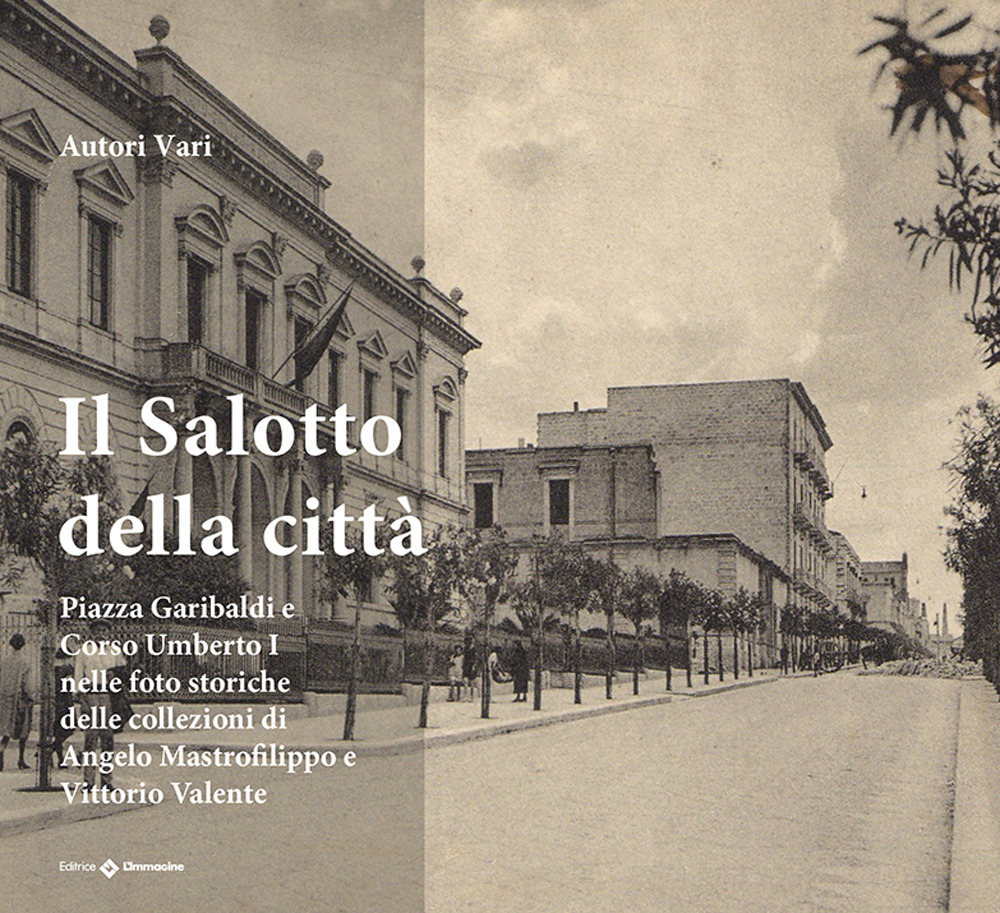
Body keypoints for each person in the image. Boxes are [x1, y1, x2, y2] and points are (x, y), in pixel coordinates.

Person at [75, 619, 124, 789]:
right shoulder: (84, 651)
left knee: (107, 739)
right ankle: (88, 781)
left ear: (108, 633)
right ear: (92, 633)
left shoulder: (114, 651)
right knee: (90, 738)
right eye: (97, 630)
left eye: (104, 631)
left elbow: (122, 672)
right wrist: (80, 696)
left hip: (108, 696)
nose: (100, 634)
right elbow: (78, 675)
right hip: (90, 695)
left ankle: (106, 781)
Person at [0, 633, 34, 772]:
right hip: (20, 698)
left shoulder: (4, 660)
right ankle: (21, 758)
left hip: (5, 697)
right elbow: (27, 683)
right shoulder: (25, 661)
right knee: (23, 729)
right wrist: (31, 696)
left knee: (6, 728)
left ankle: (1, 750)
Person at [52, 648, 75, 769]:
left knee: (59, 731)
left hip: (57, 702)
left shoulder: (53, 670)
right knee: (68, 729)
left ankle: (58, 756)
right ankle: (53, 751)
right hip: (65, 702)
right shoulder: (67, 669)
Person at [461, 633, 478, 703]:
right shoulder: (465, 648)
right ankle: (465, 696)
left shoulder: (474, 649)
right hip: (466, 666)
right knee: (465, 681)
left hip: (471, 666)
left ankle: (472, 697)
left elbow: (476, 659)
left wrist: (474, 667)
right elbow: (464, 658)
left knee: (471, 682)